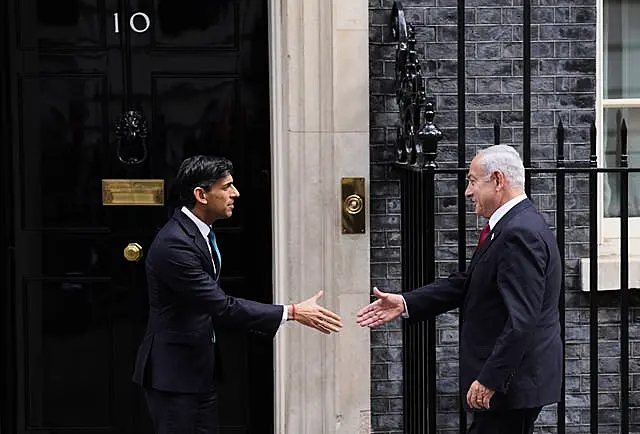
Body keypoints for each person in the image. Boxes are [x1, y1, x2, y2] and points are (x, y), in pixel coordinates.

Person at [356, 145, 562, 434]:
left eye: (473, 181)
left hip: (511, 386)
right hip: (511, 385)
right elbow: (467, 282)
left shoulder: (520, 233)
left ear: (499, 181)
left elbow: (522, 320)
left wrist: (490, 379)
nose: (467, 192)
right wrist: (405, 302)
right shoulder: (512, 226)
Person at [133, 155, 343, 434]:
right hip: (173, 376)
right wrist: (292, 312)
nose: (236, 193)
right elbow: (221, 306)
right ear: (201, 195)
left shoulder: (200, 232)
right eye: (226, 187)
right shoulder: (174, 244)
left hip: (198, 369)